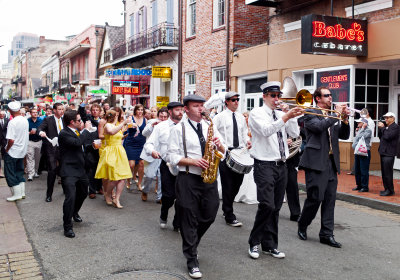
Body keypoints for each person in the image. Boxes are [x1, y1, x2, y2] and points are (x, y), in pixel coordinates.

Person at [167, 95, 226, 279]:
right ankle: (191, 260)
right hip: (188, 178)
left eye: (202, 106)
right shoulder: (179, 129)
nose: (201, 109)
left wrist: (219, 146)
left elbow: (224, 151)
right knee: (188, 217)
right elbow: (171, 157)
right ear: (186, 109)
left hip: (208, 178)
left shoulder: (210, 126)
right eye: (196, 106)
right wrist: (193, 161)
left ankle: (193, 241)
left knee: (209, 214)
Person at [247, 81, 303, 260]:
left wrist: (292, 115)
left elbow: (294, 133)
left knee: (276, 207)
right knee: (267, 205)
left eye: (278, 96)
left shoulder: (280, 114)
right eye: (273, 96)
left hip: (282, 164)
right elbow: (265, 130)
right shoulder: (257, 113)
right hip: (264, 164)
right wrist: (285, 117)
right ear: (264, 96)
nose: (276, 99)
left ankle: (270, 245)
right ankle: (254, 242)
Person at [297, 87, 350, 248]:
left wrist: (345, 120)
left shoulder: (332, 115)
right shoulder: (310, 112)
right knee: (315, 198)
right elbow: (319, 127)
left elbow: (344, 135)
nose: (330, 98)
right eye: (326, 96)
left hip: (331, 162)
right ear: (318, 98)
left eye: (330, 95)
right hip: (315, 161)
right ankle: (303, 223)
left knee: (329, 200)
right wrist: (336, 115)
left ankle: (327, 234)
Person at [213, 92, 251, 227]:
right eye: (233, 100)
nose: (236, 102)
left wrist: (248, 141)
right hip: (226, 153)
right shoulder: (219, 117)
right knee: (227, 184)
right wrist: (219, 147)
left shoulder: (240, 117)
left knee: (237, 184)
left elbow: (244, 133)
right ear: (227, 102)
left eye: (237, 100)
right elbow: (213, 133)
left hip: (240, 153)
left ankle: (227, 206)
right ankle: (229, 214)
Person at [145, 102, 183, 229]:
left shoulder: (186, 126)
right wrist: (153, 151)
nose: (181, 112)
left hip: (183, 165)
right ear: (170, 112)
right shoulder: (161, 127)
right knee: (168, 195)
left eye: (182, 110)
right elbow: (149, 144)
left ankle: (177, 222)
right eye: (177, 110)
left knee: (182, 197)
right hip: (166, 164)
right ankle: (164, 212)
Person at [58, 110, 92, 238]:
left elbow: (80, 147)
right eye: (79, 120)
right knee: (70, 197)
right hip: (69, 170)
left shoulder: (76, 131)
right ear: (72, 122)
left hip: (80, 169)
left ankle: (74, 212)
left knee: (83, 192)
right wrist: (86, 130)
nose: (81, 122)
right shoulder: (64, 133)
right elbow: (77, 143)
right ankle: (67, 227)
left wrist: (92, 146)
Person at [95, 110, 132, 208]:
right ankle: (107, 193)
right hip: (111, 152)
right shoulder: (107, 125)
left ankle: (117, 199)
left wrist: (123, 135)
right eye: (117, 116)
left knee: (122, 177)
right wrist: (124, 123)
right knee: (114, 178)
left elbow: (117, 135)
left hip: (120, 151)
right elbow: (111, 132)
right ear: (114, 116)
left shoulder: (117, 125)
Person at [141, 107, 169, 203]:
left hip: (163, 155)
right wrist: (152, 126)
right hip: (151, 153)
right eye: (161, 116)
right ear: (158, 116)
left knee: (161, 177)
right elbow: (144, 133)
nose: (163, 119)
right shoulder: (151, 122)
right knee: (149, 176)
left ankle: (160, 197)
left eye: (165, 117)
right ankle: (145, 191)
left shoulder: (170, 125)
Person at [38, 103, 65, 202]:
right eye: (59, 109)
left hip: (64, 149)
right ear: (54, 110)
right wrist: (41, 132)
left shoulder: (65, 119)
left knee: (64, 170)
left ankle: (66, 190)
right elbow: (40, 128)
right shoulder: (48, 119)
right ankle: (49, 194)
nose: (61, 111)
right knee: (52, 170)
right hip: (52, 149)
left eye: (62, 109)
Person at [4, 101, 29, 202]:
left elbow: (11, 140)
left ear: (10, 111)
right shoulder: (24, 120)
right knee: (19, 171)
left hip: (13, 151)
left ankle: (17, 194)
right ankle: (22, 193)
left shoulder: (12, 122)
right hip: (22, 150)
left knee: (10, 172)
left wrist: (7, 149)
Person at [78, 99, 103, 199]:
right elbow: (81, 112)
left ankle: (99, 187)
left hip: (100, 147)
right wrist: (84, 102)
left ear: (100, 111)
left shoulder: (102, 120)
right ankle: (91, 190)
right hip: (90, 146)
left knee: (100, 168)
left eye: (97, 110)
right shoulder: (88, 118)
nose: (95, 111)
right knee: (92, 170)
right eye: (93, 110)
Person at [123, 104, 146, 190]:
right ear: (135, 110)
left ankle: (139, 183)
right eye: (138, 110)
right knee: (131, 164)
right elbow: (125, 129)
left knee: (141, 164)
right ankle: (128, 180)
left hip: (141, 143)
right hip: (131, 143)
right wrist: (130, 126)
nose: (140, 111)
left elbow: (147, 131)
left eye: (141, 110)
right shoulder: (130, 118)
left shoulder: (145, 120)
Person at [378, 112, 399, 196]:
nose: (385, 119)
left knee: (388, 173)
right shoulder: (387, 127)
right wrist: (380, 129)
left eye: (387, 118)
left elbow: (387, 137)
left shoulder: (396, 127)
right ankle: (386, 188)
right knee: (384, 172)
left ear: (392, 118)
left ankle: (390, 190)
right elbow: (381, 137)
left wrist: (383, 128)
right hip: (383, 152)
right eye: (385, 117)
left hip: (389, 153)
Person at [352, 119, 372, 193]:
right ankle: (359, 185)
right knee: (357, 170)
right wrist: (360, 130)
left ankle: (365, 186)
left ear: (364, 123)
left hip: (364, 152)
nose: (357, 123)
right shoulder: (360, 130)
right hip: (357, 152)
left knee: (364, 170)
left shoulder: (368, 130)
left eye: (359, 122)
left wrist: (362, 129)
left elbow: (360, 137)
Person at [26, 108, 43, 181]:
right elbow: (23, 132)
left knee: (37, 158)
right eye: (33, 112)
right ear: (30, 113)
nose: (35, 114)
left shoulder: (41, 121)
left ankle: (35, 171)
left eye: (36, 112)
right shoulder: (27, 121)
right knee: (30, 158)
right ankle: (30, 174)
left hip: (39, 141)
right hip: (30, 141)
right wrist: (30, 133)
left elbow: (44, 129)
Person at [0, 110, 9, 177]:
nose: (2, 115)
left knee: (4, 149)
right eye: (1, 114)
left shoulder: (7, 120)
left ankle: (3, 156)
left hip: (4, 137)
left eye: (3, 114)